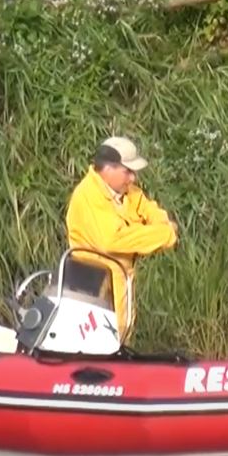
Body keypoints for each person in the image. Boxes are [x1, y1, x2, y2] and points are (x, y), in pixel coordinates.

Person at [64, 136, 178, 344]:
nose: (133, 178)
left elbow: (151, 211)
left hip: (120, 287)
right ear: (108, 169)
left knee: (121, 342)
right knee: (97, 347)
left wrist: (161, 226)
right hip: (92, 291)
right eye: (128, 171)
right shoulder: (87, 196)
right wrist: (165, 234)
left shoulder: (128, 192)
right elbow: (113, 239)